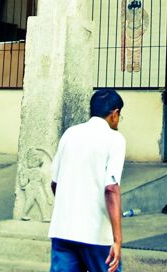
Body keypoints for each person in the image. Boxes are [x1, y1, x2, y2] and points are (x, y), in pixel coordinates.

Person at [49, 88, 126, 272]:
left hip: (62, 230)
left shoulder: (69, 134)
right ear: (114, 114)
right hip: (96, 234)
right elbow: (111, 189)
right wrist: (117, 239)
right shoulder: (115, 139)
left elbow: (55, 183)